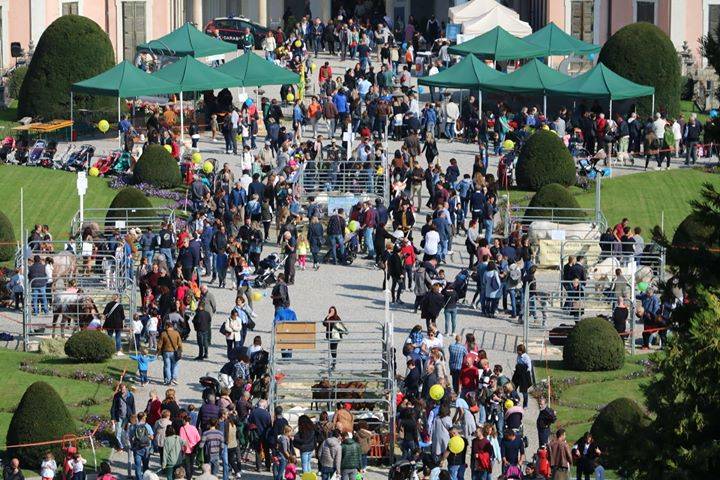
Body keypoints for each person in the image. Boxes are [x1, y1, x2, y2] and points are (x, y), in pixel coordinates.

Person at [129, 412, 155, 480]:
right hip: (146, 448)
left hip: (137, 448)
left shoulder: (133, 426)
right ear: (143, 418)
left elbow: (130, 437)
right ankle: (145, 478)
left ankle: (139, 479)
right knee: (145, 466)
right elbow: (152, 437)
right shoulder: (147, 426)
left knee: (138, 466)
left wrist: (132, 445)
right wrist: (147, 437)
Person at [111, 383, 136, 450]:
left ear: (126, 388)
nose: (123, 391)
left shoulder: (130, 396)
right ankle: (121, 446)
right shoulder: (117, 396)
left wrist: (133, 416)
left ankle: (129, 446)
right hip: (119, 417)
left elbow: (133, 407)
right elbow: (113, 407)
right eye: (122, 389)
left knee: (127, 433)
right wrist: (113, 418)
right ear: (120, 389)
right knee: (118, 433)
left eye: (124, 389)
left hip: (128, 417)